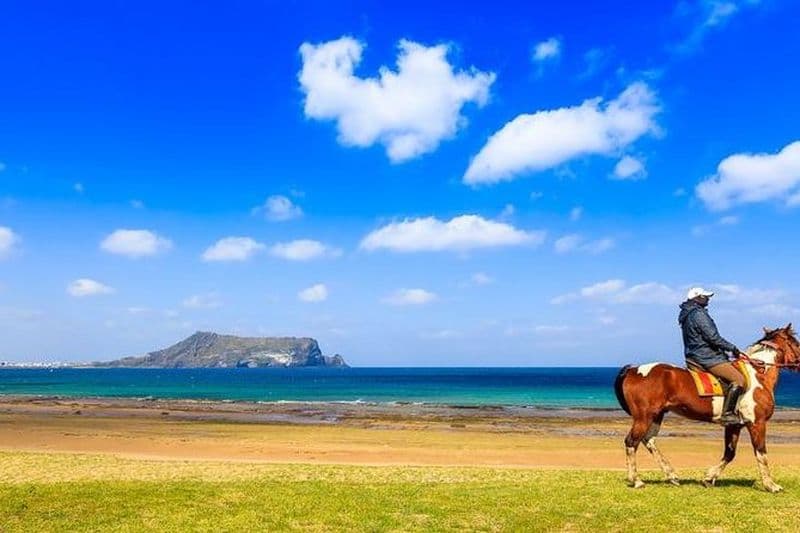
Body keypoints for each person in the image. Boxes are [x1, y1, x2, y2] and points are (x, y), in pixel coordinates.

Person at [678, 287, 746, 425]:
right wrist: (733, 349)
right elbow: (713, 337)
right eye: (705, 296)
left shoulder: (687, 313)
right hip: (707, 357)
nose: (708, 299)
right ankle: (727, 414)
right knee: (739, 380)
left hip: (693, 354)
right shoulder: (698, 314)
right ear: (697, 298)